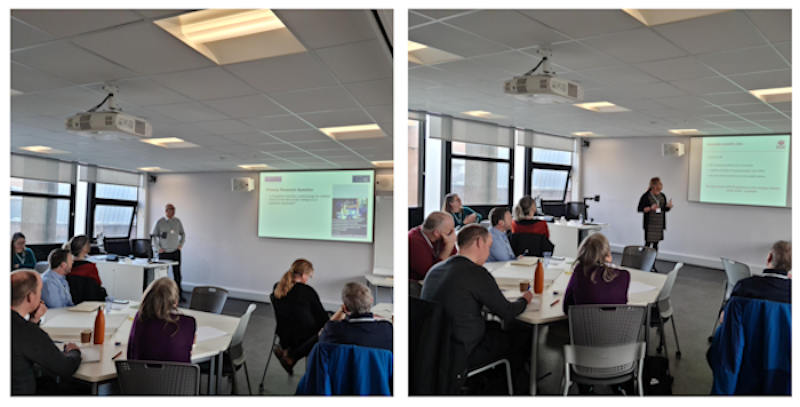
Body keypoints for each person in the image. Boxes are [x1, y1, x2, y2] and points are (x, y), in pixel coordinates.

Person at [422, 225, 533, 394]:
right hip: (464, 352)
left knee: (495, 328)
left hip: (434, 348)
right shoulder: (476, 273)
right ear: (479, 242)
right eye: (488, 247)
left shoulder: (434, 270)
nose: (488, 253)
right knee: (522, 332)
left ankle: (487, 380)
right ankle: (513, 389)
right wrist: (524, 299)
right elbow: (508, 312)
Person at [11, 270, 82, 395]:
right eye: (39, 291)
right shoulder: (27, 332)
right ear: (30, 297)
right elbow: (65, 368)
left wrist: (34, 320)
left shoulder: (21, 328)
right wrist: (74, 352)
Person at [271, 259, 331, 375]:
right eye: (309, 276)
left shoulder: (277, 287)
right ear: (303, 275)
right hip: (300, 338)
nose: (308, 279)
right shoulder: (308, 291)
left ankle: (286, 351)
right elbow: (323, 319)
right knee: (325, 331)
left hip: (282, 334)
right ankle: (291, 357)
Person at [127, 277, 196, 363]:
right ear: (175, 301)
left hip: (143, 375)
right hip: (178, 376)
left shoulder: (141, 318)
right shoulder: (188, 323)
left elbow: (130, 356)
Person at [563, 233, 630, 314]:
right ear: (607, 253)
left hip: (584, 326)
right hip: (617, 325)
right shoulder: (624, 276)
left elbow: (567, 308)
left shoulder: (580, 272)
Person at [319, 282, 392, 351]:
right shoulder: (387, 329)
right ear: (371, 301)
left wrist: (342, 311)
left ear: (345, 308)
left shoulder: (333, 330)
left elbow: (320, 338)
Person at [408, 211, 457, 281]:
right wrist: (448, 246)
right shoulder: (412, 241)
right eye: (450, 231)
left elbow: (454, 262)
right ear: (436, 233)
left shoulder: (441, 238)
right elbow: (432, 275)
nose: (453, 234)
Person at [152, 203, 186, 299]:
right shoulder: (160, 222)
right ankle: (163, 295)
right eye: (171, 209)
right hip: (164, 253)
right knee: (163, 274)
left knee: (177, 274)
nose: (173, 211)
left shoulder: (177, 221)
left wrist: (180, 245)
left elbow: (183, 234)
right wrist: (158, 248)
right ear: (166, 211)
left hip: (175, 251)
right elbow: (154, 236)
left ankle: (178, 294)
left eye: (174, 209)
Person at [64, 235, 108, 304]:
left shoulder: (67, 266)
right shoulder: (90, 267)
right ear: (84, 248)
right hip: (90, 303)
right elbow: (97, 286)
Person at [637, 177, 673, 251]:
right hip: (650, 224)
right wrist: (650, 208)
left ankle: (653, 261)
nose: (661, 186)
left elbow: (663, 209)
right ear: (654, 186)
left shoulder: (662, 196)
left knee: (656, 244)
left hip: (659, 225)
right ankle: (645, 261)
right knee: (647, 244)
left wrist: (668, 207)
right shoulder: (646, 196)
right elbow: (640, 209)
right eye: (659, 184)